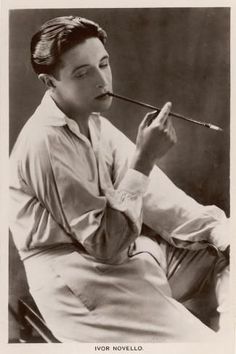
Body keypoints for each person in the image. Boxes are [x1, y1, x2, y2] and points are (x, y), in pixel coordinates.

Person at [9, 15, 230, 343]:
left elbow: (158, 199)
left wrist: (218, 230)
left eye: (104, 64)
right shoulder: (45, 142)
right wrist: (144, 159)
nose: (102, 81)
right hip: (79, 285)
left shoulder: (93, 121)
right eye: (83, 73)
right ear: (49, 83)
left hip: (122, 258)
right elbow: (105, 246)